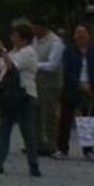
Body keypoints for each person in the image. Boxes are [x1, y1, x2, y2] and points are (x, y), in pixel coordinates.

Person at [0, 21, 42, 177]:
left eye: (15, 36)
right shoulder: (15, 51)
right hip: (10, 95)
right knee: (4, 129)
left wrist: (1, 48)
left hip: (24, 95)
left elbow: (11, 66)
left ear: (24, 38)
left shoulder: (28, 52)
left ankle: (33, 163)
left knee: (27, 131)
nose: (12, 38)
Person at [58, 23, 94, 161]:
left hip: (90, 89)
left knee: (89, 121)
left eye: (83, 32)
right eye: (78, 32)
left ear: (89, 35)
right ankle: (62, 149)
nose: (81, 35)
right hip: (72, 88)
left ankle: (88, 150)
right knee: (65, 120)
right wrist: (79, 84)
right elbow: (66, 71)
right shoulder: (69, 51)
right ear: (74, 35)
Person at [31, 18, 65, 157]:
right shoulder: (34, 40)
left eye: (35, 28)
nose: (34, 31)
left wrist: (34, 65)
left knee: (49, 115)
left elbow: (53, 65)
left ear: (43, 28)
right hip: (35, 83)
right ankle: (37, 143)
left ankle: (52, 144)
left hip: (50, 85)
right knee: (35, 114)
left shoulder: (56, 42)